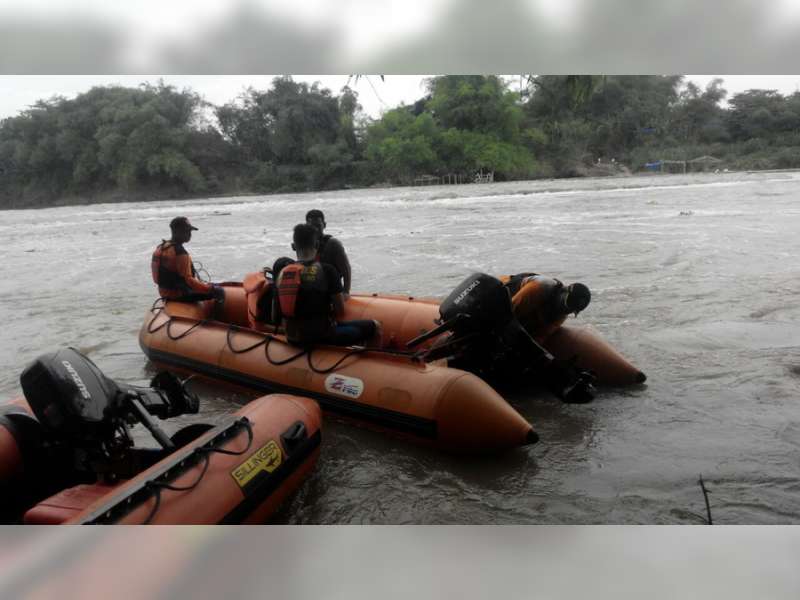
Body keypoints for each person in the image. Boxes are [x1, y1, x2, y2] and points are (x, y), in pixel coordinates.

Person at [276, 223, 378, 347]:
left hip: (292, 338)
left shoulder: (282, 274)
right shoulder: (327, 270)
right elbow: (340, 311)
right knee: (375, 326)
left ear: (293, 246)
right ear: (317, 245)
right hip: (322, 336)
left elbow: (277, 315)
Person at [500, 273, 591, 343]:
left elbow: (540, 337)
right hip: (502, 292)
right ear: (563, 291)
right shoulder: (539, 288)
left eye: (571, 310)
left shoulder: (561, 315)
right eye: (567, 305)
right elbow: (508, 314)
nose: (566, 310)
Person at [151, 216, 224, 302]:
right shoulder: (180, 252)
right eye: (187, 231)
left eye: (190, 231)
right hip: (179, 294)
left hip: (164, 292)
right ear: (178, 231)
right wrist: (211, 289)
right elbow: (189, 281)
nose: (190, 234)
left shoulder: (162, 247)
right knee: (220, 291)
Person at [305, 209, 351, 295]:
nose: (315, 229)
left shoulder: (333, 244)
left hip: (332, 291)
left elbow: (346, 270)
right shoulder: (304, 245)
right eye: (312, 226)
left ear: (324, 225)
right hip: (313, 291)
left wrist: (346, 292)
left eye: (318, 226)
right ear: (306, 226)